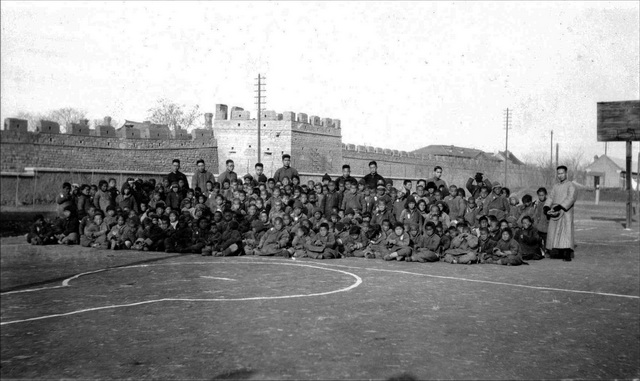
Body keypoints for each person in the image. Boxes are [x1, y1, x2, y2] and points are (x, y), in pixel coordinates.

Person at [544, 165, 578, 261]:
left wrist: (560, 206)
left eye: (562, 173)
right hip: (555, 211)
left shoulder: (571, 185)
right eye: (558, 173)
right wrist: (546, 207)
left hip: (565, 211)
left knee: (565, 232)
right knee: (554, 232)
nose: (560, 175)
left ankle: (567, 253)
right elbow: (551, 197)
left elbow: (571, 198)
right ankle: (557, 252)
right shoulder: (556, 186)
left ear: (566, 173)